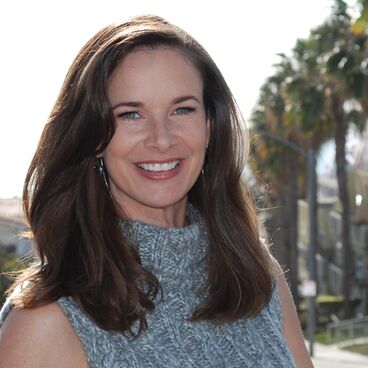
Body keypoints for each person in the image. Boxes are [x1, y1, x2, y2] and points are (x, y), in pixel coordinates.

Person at [0, 15, 313, 367]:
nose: (162, 139)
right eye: (130, 114)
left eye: (182, 109)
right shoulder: (46, 322)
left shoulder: (256, 277)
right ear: (93, 136)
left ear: (210, 125)